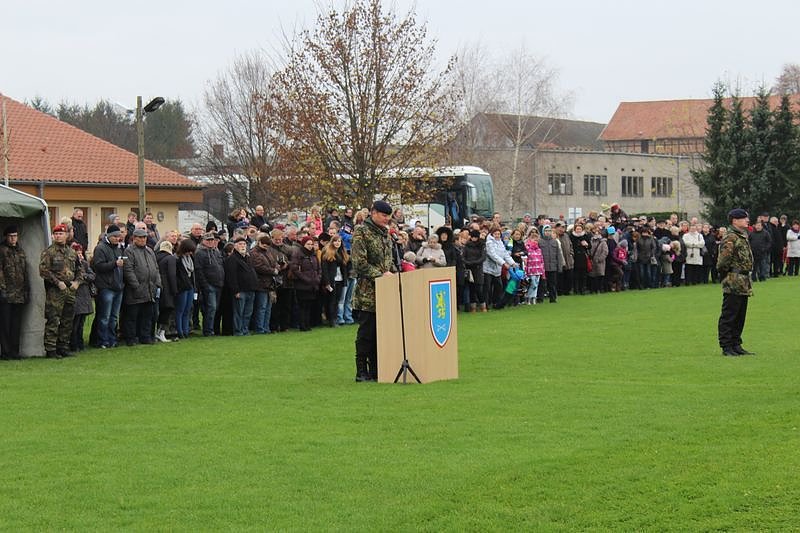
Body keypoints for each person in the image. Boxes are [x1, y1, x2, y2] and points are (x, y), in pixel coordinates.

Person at [351, 200, 396, 382]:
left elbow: (388, 260)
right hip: (367, 292)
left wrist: (392, 272)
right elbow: (359, 263)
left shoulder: (385, 234)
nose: (386, 219)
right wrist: (380, 274)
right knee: (367, 333)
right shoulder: (362, 232)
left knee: (382, 333)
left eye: (388, 216)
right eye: (383, 215)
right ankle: (361, 370)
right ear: (373, 213)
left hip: (385, 291)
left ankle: (378, 368)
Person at [39, 224, 82, 358]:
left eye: (61, 234)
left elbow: (80, 269)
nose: (58, 236)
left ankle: (63, 346)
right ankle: (51, 349)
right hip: (55, 291)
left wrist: (77, 282)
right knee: (53, 319)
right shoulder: (49, 252)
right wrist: (58, 283)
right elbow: (43, 271)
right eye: (56, 234)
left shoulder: (72, 252)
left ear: (66, 235)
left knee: (67, 320)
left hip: (70, 290)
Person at [717, 209, 755, 356]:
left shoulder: (742, 235)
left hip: (743, 280)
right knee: (730, 314)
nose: (747, 220)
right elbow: (723, 261)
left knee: (740, 315)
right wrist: (727, 275)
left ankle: (736, 343)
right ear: (735, 220)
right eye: (744, 218)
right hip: (734, 279)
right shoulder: (730, 237)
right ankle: (726, 346)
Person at [122, 228, 161, 346]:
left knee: (148, 316)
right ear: (134, 238)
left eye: (145, 237)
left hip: (150, 289)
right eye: (140, 237)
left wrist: (158, 283)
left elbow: (156, 268)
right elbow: (128, 270)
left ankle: (145, 337)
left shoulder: (150, 251)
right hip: (135, 290)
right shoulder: (129, 251)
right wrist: (136, 286)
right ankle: (131, 338)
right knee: (132, 317)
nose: (143, 239)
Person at [0, 226, 29, 359]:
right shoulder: (2, 250)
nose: (13, 238)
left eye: (15, 236)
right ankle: (6, 352)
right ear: (6, 236)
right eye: (11, 236)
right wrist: (2, 289)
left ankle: (14, 351)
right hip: (6, 293)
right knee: (5, 325)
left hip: (19, 294)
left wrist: (27, 290)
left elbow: (25, 272)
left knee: (16, 325)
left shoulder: (20, 251)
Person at [225, 236, 258, 336]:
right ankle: (238, 330)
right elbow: (231, 276)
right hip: (240, 290)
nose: (243, 246)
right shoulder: (232, 259)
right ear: (235, 246)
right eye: (240, 244)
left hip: (250, 289)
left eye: (244, 244)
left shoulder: (247, 258)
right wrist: (236, 291)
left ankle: (245, 329)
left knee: (248, 312)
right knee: (239, 312)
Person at [194, 231, 225, 337]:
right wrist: (205, 285)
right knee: (211, 308)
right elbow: (199, 270)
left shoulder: (216, 251)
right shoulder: (199, 253)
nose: (211, 242)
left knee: (214, 308)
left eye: (212, 240)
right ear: (203, 241)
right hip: (209, 285)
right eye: (208, 240)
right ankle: (208, 330)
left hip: (218, 284)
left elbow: (221, 266)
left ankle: (211, 329)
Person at [290, 235, 322, 331]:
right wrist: (305, 279)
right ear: (303, 244)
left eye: (311, 244)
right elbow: (295, 269)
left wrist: (318, 278)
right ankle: (302, 325)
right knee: (302, 306)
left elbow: (318, 268)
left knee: (309, 305)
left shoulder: (313, 254)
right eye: (308, 244)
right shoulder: (298, 253)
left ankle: (307, 324)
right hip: (302, 285)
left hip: (313, 284)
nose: (310, 246)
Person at [174, 238, 196, 339]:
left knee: (188, 309)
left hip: (190, 286)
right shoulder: (177, 259)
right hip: (182, 288)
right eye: (188, 251)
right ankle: (180, 331)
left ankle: (186, 330)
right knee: (180, 310)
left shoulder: (191, 258)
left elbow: (192, 274)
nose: (190, 253)